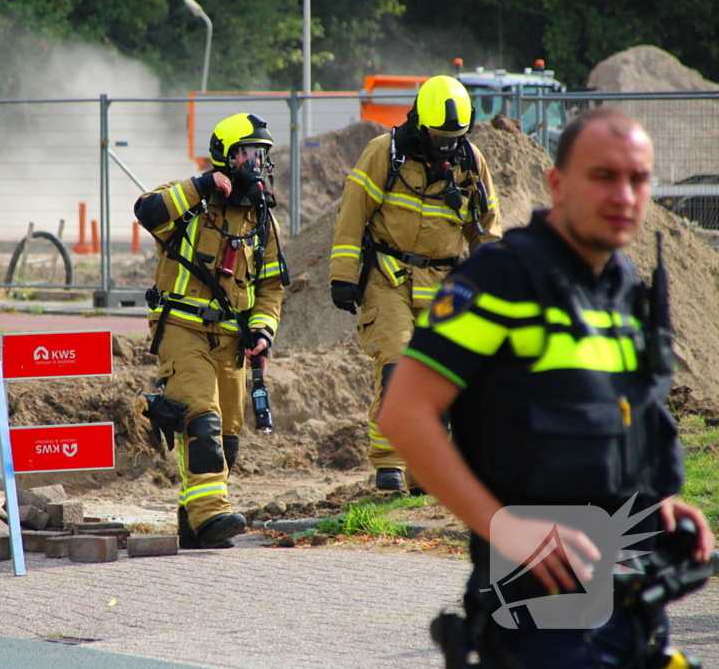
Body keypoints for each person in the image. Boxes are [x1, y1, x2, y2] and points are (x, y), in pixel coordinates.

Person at [378, 107, 715, 667]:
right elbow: (405, 415)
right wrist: (503, 527)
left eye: (638, 179)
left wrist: (662, 505)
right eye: (602, 176)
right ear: (556, 183)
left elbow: (617, 424)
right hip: (542, 613)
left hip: (634, 602)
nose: (624, 195)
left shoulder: (623, 285)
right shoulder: (499, 278)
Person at [329, 75, 501, 493]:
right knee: (396, 365)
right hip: (389, 279)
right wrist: (343, 276)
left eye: (454, 137)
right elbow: (352, 217)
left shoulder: (471, 161)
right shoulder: (383, 155)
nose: (447, 146)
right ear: (420, 124)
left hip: (445, 283)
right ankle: (389, 464)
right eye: (440, 138)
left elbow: (487, 228)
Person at [134, 112, 288, 549]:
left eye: (261, 155)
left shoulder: (261, 221)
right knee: (202, 420)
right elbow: (146, 211)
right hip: (182, 327)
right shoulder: (191, 201)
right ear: (225, 157)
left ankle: (196, 520)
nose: (255, 164)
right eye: (247, 154)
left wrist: (262, 330)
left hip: (231, 340)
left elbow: (271, 286)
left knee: (229, 439)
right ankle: (212, 513)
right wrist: (202, 186)